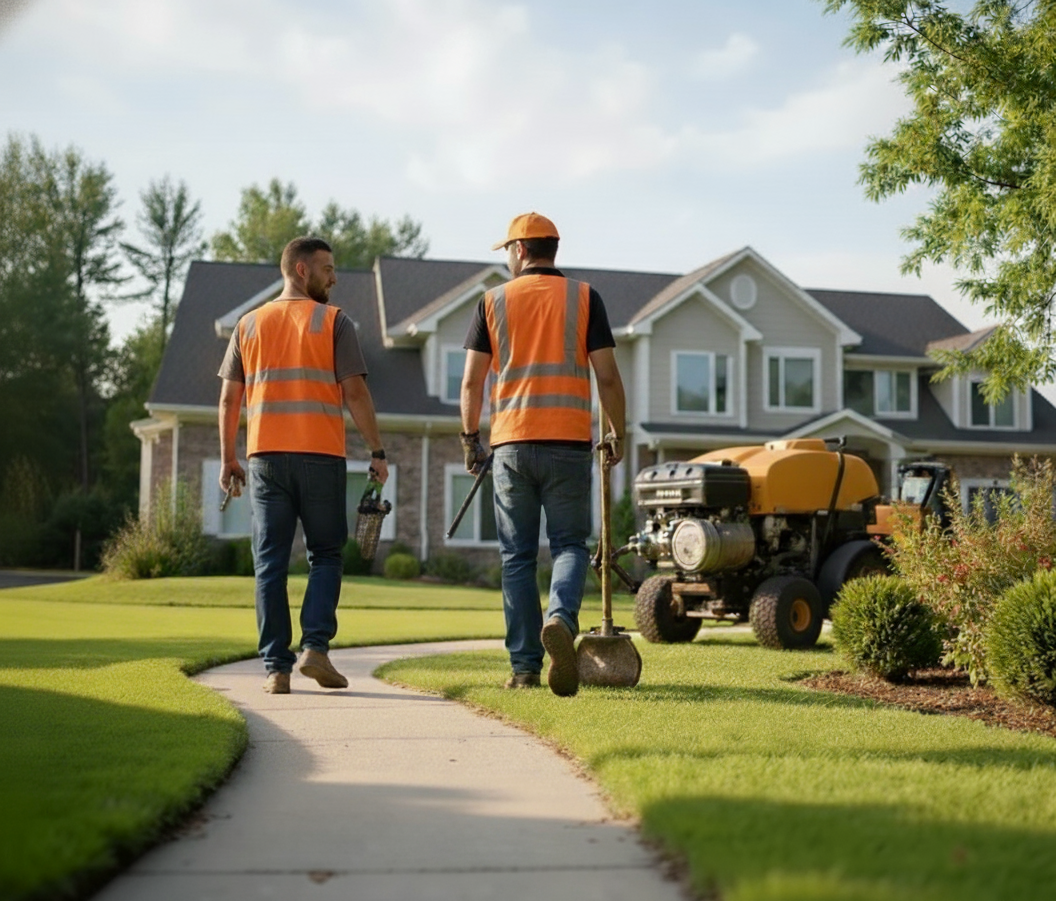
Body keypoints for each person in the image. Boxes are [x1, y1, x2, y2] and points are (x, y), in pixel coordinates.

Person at [460, 213, 626, 697]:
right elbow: (608, 376)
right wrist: (618, 432)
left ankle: (525, 669)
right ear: (552, 249)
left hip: (511, 446)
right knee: (571, 546)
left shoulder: (492, 301)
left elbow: (472, 381)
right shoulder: (584, 298)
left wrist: (470, 439)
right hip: (569, 445)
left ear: (519, 250)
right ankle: (560, 618)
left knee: (517, 558)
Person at [218, 236, 389, 694]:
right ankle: (315, 647)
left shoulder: (249, 325)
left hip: (266, 459)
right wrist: (376, 450)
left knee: (269, 561)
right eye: (327, 268)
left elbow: (230, 397)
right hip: (320, 457)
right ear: (300, 270)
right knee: (326, 554)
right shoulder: (334, 322)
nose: (334, 277)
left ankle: (276, 667)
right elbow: (355, 392)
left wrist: (229, 457)